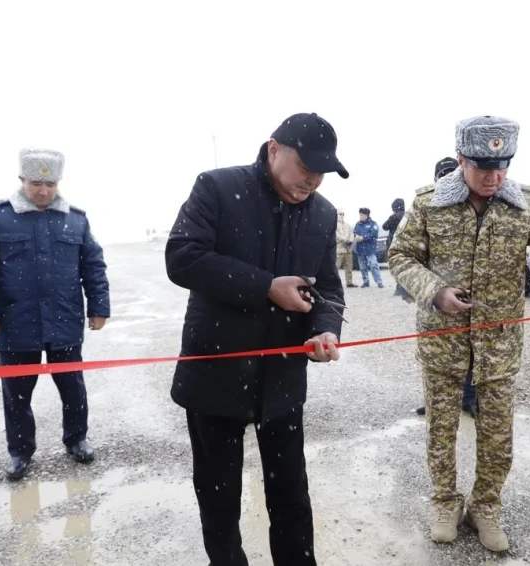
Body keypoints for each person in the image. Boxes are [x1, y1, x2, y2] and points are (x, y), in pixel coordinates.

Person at [389, 116, 530, 552]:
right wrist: (436, 291)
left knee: (497, 434)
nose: (493, 177)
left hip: (498, 344)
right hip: (442, 341)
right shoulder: (429, 204)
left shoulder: (525, 205)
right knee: (441, 430)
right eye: (482, 167)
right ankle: (445, 503)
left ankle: (486, 507)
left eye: (501, 166)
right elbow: (401, 256)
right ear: (460, 160)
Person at [165, 112, 348, 566]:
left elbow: (327, 287)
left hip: (283, 379)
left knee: (291, 493)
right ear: (273, 149)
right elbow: (182, 257)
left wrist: (324, 327)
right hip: (215, 373)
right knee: (219, 497)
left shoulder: (323, 214)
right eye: (306, 166)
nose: (313, 180)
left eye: (322, 172)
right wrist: (265, 286)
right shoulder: (217, 188)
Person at [0, 148, 110, 481]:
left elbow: (93, 266)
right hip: (15, 322)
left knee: (73, 387)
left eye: (50, 184)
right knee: (16, 394)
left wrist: (99, 307)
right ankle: (20, 451)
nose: (43, 190)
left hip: (64, 319)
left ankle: (77, 439)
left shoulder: (76, 219)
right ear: (22, 180)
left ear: (58, 182)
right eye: (36, 183)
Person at [414, 156, 476, 419]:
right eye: (443, 174)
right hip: (436, 302)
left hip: (468, 302)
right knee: (435, 356)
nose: (448, 178)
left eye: (453, 173)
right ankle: (433, 400)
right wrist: (430, 290)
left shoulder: (473, 208)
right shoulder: (425, 207)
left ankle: (469, 399)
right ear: (435, 179)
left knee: (471, 352)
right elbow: (410, 256)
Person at [353, 207, 384, 288]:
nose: (361, 216)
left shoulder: (373, 224)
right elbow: (355, 232)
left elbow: (374, 234)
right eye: (360, 215)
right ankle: (365, 281)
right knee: (362, 267)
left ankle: (379, 282)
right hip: (360, 249)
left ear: (366, 215)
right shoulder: (358, 224)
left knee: (373, 265)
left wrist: (363, 238)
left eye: (362, 215)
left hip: (370, 249)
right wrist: (356, 237)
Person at [382, 198, 406, 296]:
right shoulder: (408, 215)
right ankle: (405, 288)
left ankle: (399, 288)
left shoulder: (393, 217)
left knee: (396, 267)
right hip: (405, 244)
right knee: (405, 266)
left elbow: (384, 226)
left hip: (394, 244)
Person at [335, 210, 356, 288]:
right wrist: (345, 240)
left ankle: (349, 282)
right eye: (340, 214)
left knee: (349, 267)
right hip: (339, 249)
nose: (342, 216)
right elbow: (336, 235)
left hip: (348, 249)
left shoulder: (347, 225)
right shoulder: (334, 225)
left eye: (343, 214)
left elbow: (351, 233)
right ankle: (335, 283)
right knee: (336, 267)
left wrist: (350, 240)